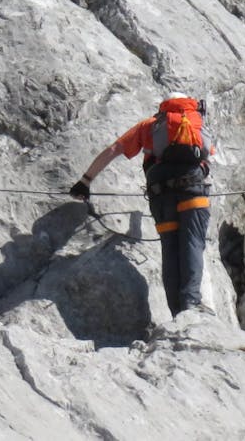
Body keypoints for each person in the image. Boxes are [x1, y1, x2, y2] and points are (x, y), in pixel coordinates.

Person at [70, 94, 212, 316]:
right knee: (192, 243)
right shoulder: (195, 122)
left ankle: (177, 312)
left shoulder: (150, 126)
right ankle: (192, 304)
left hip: (161, 194)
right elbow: (206, 155)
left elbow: (113, 150)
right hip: (192, 189)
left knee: (170, 248)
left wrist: (85, 181)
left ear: (163, 107)